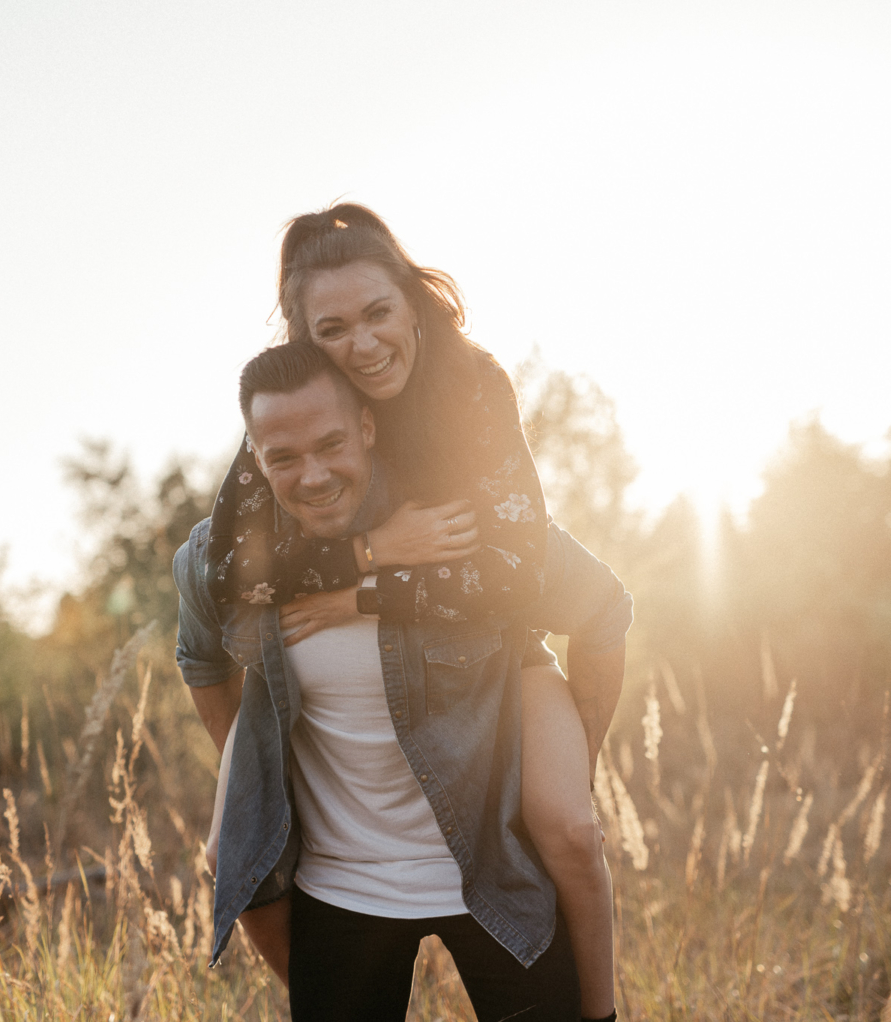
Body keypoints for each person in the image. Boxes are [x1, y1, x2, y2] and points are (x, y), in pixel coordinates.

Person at [203, 203, 622, 1019]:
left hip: (493, 646)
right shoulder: (297, 413)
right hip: (365, 771)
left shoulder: (472, 387)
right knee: (233, 855)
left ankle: (601, 1011)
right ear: (304, 338)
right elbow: (225, 569)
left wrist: (358, 592)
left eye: (377, 314)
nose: (361, 346)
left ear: (412, 301)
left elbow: (514, 570)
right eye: (332, 329)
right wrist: (372, 549)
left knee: (566, 822)